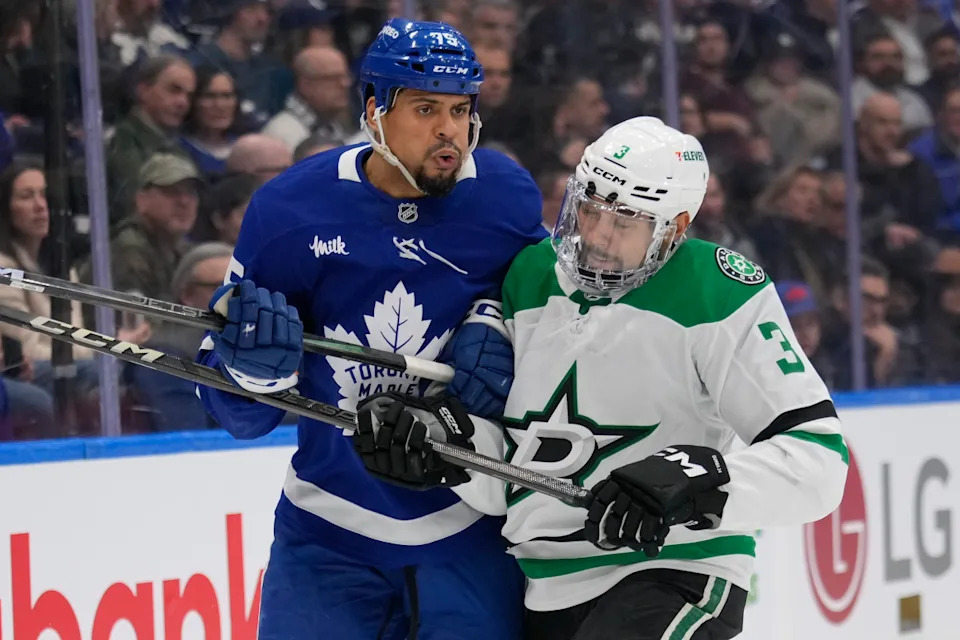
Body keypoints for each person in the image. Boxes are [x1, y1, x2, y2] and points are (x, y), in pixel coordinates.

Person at [354, 117, 848, 639]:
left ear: (675, 229)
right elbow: (514, 472)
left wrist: (697, 478)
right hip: (543, 587)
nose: (598, 237)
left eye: (625, 223)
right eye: (590, 210)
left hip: (674, 569)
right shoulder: (529, 276)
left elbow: (818, 461)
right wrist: (443, 443)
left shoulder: (719, 291)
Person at [196, 19, 547, 640]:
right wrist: (250, 373)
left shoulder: (504, 198)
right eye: (425, 108)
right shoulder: (290, 212)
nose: (450, 131)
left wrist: (504, 324)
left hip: (469, 526)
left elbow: (560, 327)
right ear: (374, 112)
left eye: (462, 109)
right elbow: (234, 413)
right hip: (330, 534)